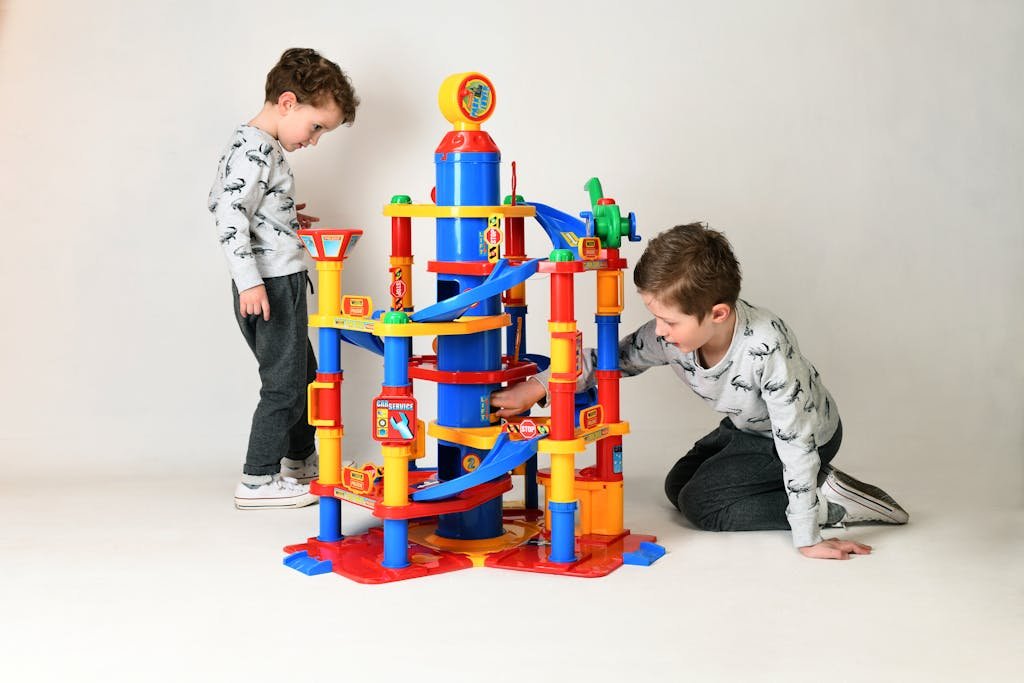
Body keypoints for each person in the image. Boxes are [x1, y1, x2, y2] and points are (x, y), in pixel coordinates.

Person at [491, 223, 908, 559]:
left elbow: (795, 439)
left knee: (703, 506)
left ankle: (830, 501)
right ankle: (807, 490)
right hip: (748, 427)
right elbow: (613, 359)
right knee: (679, 485)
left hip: (805, 435)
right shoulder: (671, 336)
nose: (659, 331)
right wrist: (538, 386)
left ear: (718, 313)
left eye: (669, 322)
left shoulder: (766, 347)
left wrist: (808, 535)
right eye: (655, 317)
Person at [207, 48, 359, 509]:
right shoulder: (254, 147)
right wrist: (250, 281)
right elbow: (227, 209)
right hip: (269, 286)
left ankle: (298, 460)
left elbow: (256, 210)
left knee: (304, 376)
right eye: (316, 128)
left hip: (283, 280)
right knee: (284, 384)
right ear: (288, 102)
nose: (314, 141)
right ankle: (257, 479)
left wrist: (288, 218)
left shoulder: (260, 147)